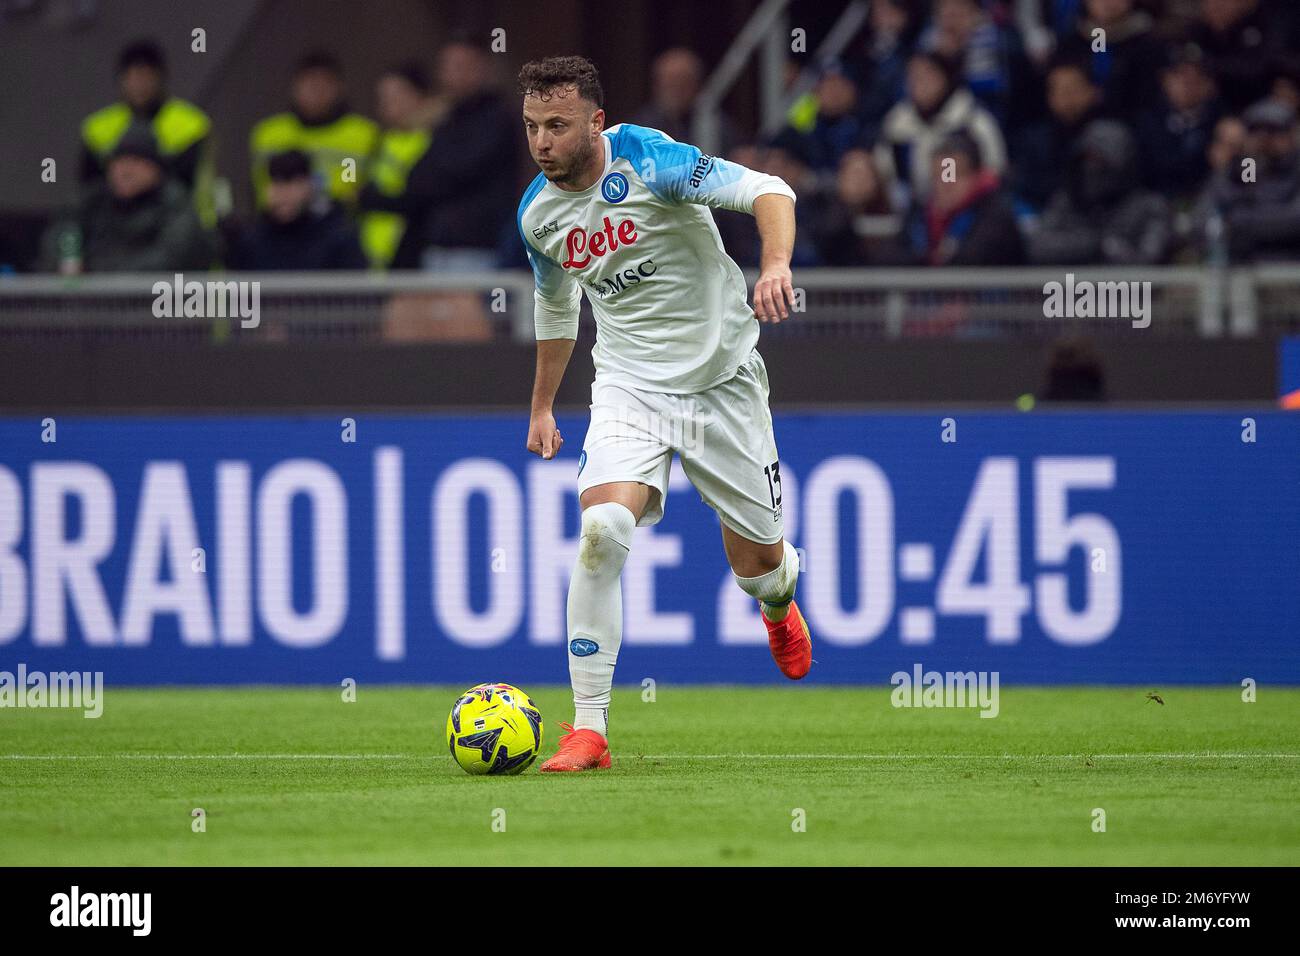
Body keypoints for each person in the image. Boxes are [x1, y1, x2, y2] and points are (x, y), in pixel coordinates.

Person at [515, 55, 807, 772]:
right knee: (602, 529)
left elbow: (770, 189)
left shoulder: (654, 163)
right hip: (630, 387)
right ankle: (589, 730)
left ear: (596, 122)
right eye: (531, 127)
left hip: (723, 381)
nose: (542, 142)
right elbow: (557, 306)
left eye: (557, 125)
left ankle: (777, 603)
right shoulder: (538, 216)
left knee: (761, 566)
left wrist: (774, 266)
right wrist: (544, 404)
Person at [45, 130, 212, 273]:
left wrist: (98, 272)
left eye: (136, 162)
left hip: (155, 303)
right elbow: (63, 232)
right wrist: (68, 259)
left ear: (157, 169)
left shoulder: (175, 204)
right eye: (118, 162)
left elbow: (171, 259)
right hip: (90, 304)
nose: (125, 171)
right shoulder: (92, 201)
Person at [1028, 119, 1171, 265]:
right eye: (1087, 159)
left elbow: (1148, 261)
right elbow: (1039, 247)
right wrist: (1093, 244)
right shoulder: (1067, 201)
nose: (1091, 168)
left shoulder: (1150, 207)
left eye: (1100, 161)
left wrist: (1112, 250)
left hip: (1124, 287)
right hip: (1067, 287)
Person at [249, 51, 379, 209]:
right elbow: (258, 188)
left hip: (339, 226)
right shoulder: (269, 133)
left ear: (340, 88)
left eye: (324, 85)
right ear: (294, 87)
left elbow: (354, 185)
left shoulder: (362, 134)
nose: (316, 92)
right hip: (278, 226)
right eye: (309, 84)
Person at [875, 51, 1006, 206]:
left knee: (947, 158)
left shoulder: (970, 119)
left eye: (927, 75)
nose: (919, 83)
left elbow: (994, 169)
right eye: (914, 76)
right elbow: (882, 171)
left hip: (970, 209)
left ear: (945, 77)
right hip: (911, 208)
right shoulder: (897, 123)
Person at [896, 130, 1024, 265]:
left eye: (956, 175)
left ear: (977, 176)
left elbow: (973, 259)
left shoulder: (996, 215)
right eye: (939, 176)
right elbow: (898, 254)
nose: (946, 185)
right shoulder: (919, 215)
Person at [226, 150, 367, 270]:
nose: (284, 193)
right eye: (277, 182)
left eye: (294, 183)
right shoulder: (249, 241)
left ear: (310, 186)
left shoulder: (338, 239)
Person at [360, 63, 439, 268]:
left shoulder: (434, 141)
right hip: (371, 255)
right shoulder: (377, 141)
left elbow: (420, 198)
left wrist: (377, 200)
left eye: (397, 95)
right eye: (383, 97)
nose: (388, 104)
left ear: (420, 97)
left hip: (411, 254)